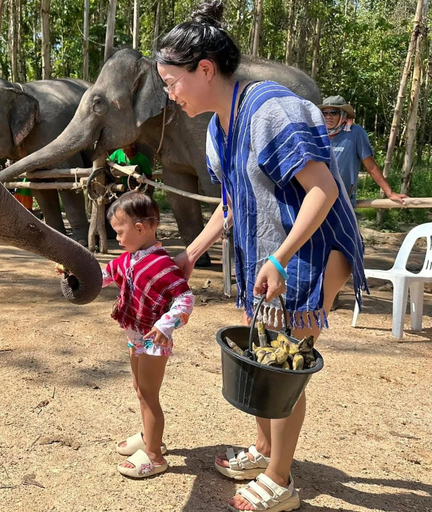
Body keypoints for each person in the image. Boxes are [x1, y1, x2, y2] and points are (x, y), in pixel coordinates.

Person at [155, 2, 367, 510]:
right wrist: (191, 253)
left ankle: (280, 478)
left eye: (171, 81)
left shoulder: (273, 109)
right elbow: (232, 203)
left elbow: (322, 191)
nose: (168, 94)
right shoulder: (217, 129)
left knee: (283, 360)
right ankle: (265, 447)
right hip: (269, 252)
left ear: (205, 69)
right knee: (260, 344)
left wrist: (280, 260)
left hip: (312, 251)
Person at [101, 191, 194, 478]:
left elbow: (185, 299)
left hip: (154, 341)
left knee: (150, 394)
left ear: (140, 229)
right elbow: (104, 275)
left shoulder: (161, 265)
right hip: (135, 334)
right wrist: (75, 273)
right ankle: (148, 437)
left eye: (119, 232)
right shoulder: (127, 259)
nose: (117, 239)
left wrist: (166, 324)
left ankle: (154, 456)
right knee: (140, 389)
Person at [318, 95, 408, 206]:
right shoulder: (317, 134)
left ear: (342, 114)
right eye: (325, 113)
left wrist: (389, 192)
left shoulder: (355, 133)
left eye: (333, 113)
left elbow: (370, 166)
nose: (328, 117)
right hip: (317, 199)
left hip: (343, 200)